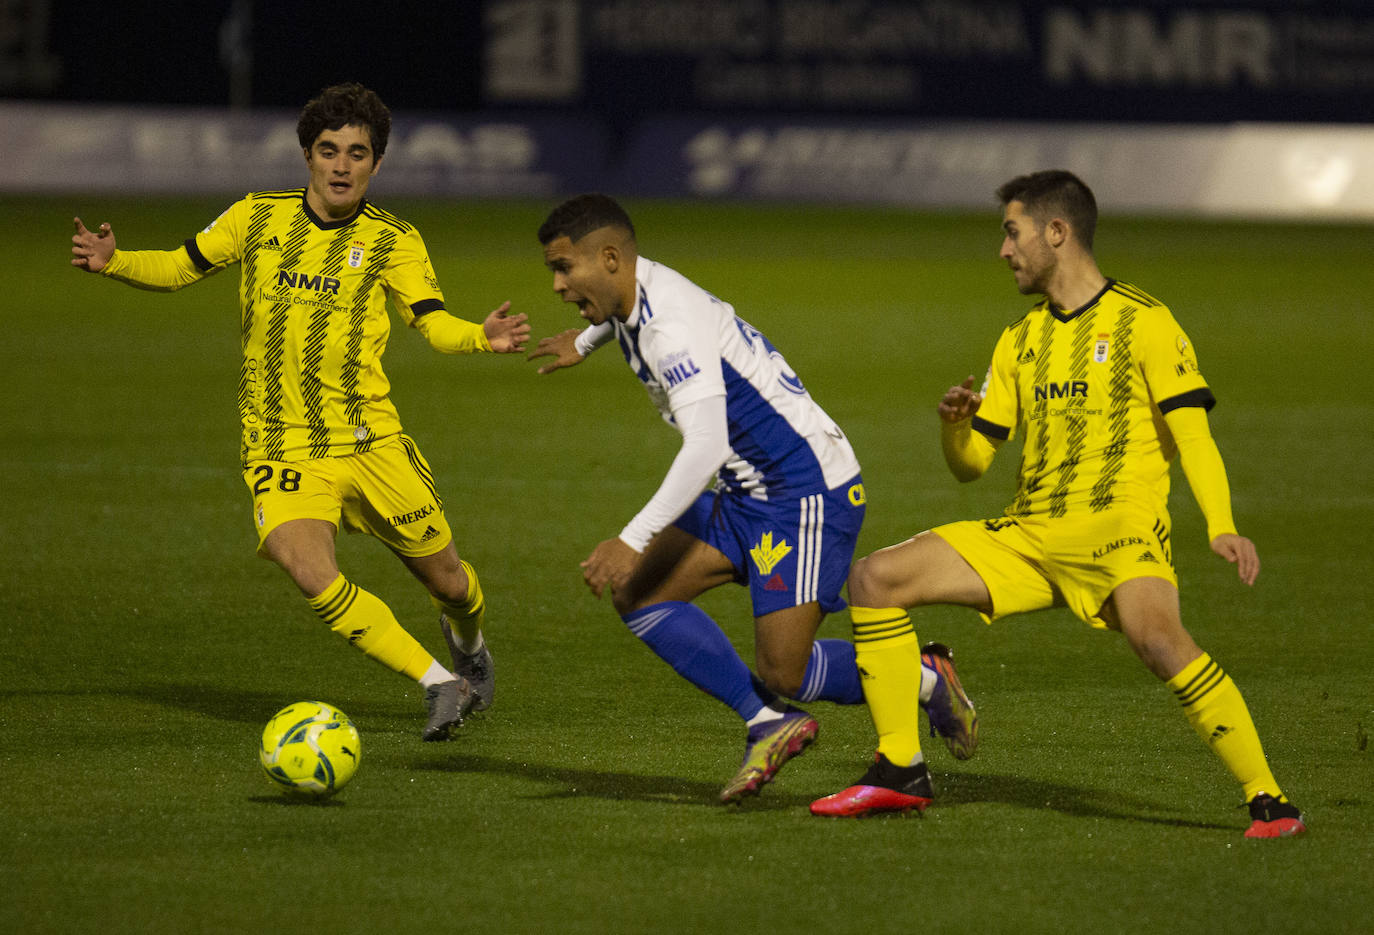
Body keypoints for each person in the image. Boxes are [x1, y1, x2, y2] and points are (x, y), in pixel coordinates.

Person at [810, 170, 1305, 838]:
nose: (1004, 250)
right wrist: (955, 425)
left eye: (1012, 233)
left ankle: (1268, 799)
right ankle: (901, 768)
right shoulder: (1019, 340)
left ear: (1057, 232)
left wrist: (1222, 525)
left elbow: (1194, 435)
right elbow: (972, 466)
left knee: (1159, 640)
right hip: (1029, 533)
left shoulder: (1145, 321)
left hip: (1119, 529)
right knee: (874, 578)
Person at [69, 82, 529, 741]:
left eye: (358, 153)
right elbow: (177, 266)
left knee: (450, 580)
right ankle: (438, 683)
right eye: (328, 150)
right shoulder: (255, 217)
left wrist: (481, 335)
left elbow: (431, 323)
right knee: (306, 565)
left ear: (376, 164)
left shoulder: (394, 240)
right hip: (281, 446)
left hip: (371, 441)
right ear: (307, 156)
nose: (342, 165)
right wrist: (116, 262)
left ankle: (468, 640)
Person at [528, 193, 978, 804]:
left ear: (609, 258)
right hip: (748, 489)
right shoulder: (638, 288)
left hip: (804, 492)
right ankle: (769, 722)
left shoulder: (672, 328)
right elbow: (621, 317)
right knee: (640, 594)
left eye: (563, 268)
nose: (556, 284)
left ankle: (923, 678)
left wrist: (632, 538)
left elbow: (707, 443)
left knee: (783, 670)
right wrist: (581, 344)